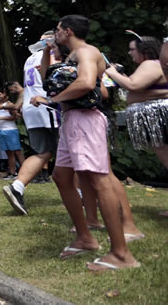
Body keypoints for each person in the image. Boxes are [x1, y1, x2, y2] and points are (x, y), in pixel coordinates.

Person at [42, 15, 138, 271]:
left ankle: (121, 254)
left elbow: (85, 83)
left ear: (68, 30)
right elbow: (47, 78)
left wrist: (53, 101)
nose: (55, 34)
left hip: (85, 121)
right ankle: (85, 238)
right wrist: (49, 52)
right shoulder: (72, 55)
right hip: (72, 120)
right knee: (62, 176)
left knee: (99, 179)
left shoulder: (87, 51)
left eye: (58, 30)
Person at [105, 35, 168, 216]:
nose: (129, 53)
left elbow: (133, 85)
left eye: (132, 49)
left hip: (158, 116)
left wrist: (112, 73)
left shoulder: (150, 64)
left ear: (144, 51)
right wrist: (120, 74)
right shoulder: (153, 65)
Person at [2, 31, 59, 215]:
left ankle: (17, 187)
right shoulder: (52, 54)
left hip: (30, 108)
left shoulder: (30, 58)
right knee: (68, 150)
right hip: (48, 106)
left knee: (42, 152)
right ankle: (81, 194)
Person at [0, 87, 24, 178]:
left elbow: (16, 117)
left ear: (5, 94)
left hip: (11, 130)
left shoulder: (9, 104)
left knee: (17, 152)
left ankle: (25, 171)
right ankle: (12, 172)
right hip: (2, 131)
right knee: (9, 153)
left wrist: (1, 118)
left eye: (0, 94)